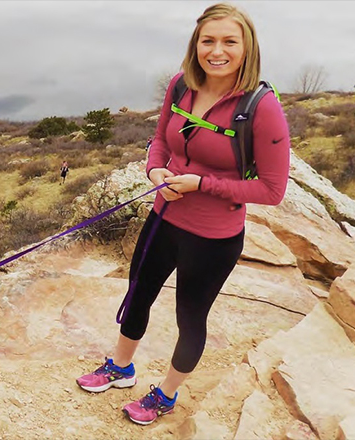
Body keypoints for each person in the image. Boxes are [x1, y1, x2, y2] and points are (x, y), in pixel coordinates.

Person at [76, 2, 290, 426]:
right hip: (162, 220)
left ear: (247, 48)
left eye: (230, 41)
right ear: (196, 45)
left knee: (190, 318)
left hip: (212, 236)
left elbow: (272, 189)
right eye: (208, 40)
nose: (217, 51)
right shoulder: (180, 86)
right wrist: (155, 168)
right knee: (138, 293)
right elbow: (161, 141)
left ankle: (167, 394)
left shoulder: (261, 107)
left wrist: (201, 184)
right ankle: (121, 367)